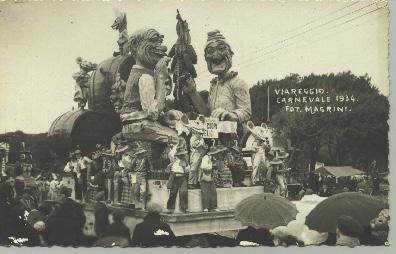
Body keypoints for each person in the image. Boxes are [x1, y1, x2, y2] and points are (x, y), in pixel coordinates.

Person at [180, 30, 252, 144]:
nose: (215, 55)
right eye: (210, 51)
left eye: (221, 49)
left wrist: (230, 115)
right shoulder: (213, 85)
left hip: (233, 135)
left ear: (230, 54)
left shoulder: (238, 82)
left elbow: (246, 112)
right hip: (213, 134)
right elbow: (208, 115)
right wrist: (193, 92)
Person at [166, 146, 189, 213]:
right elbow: (168, 168)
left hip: (182, 178)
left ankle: (184, 208)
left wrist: (185, 166)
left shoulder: (184, 161)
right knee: (173, 193)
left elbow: (187, 170)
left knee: (183, 192)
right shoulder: (173, 161)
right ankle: (170, 208)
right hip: (175, 178)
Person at [200, 148, 218, 212]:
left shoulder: (212, 159)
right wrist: (211, 166)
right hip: (205, 176)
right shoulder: (205, 158)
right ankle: (206, 207)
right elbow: (203, 167)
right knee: (205, 192)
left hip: (211, 176)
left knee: (213, 191)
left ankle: (213, 206)